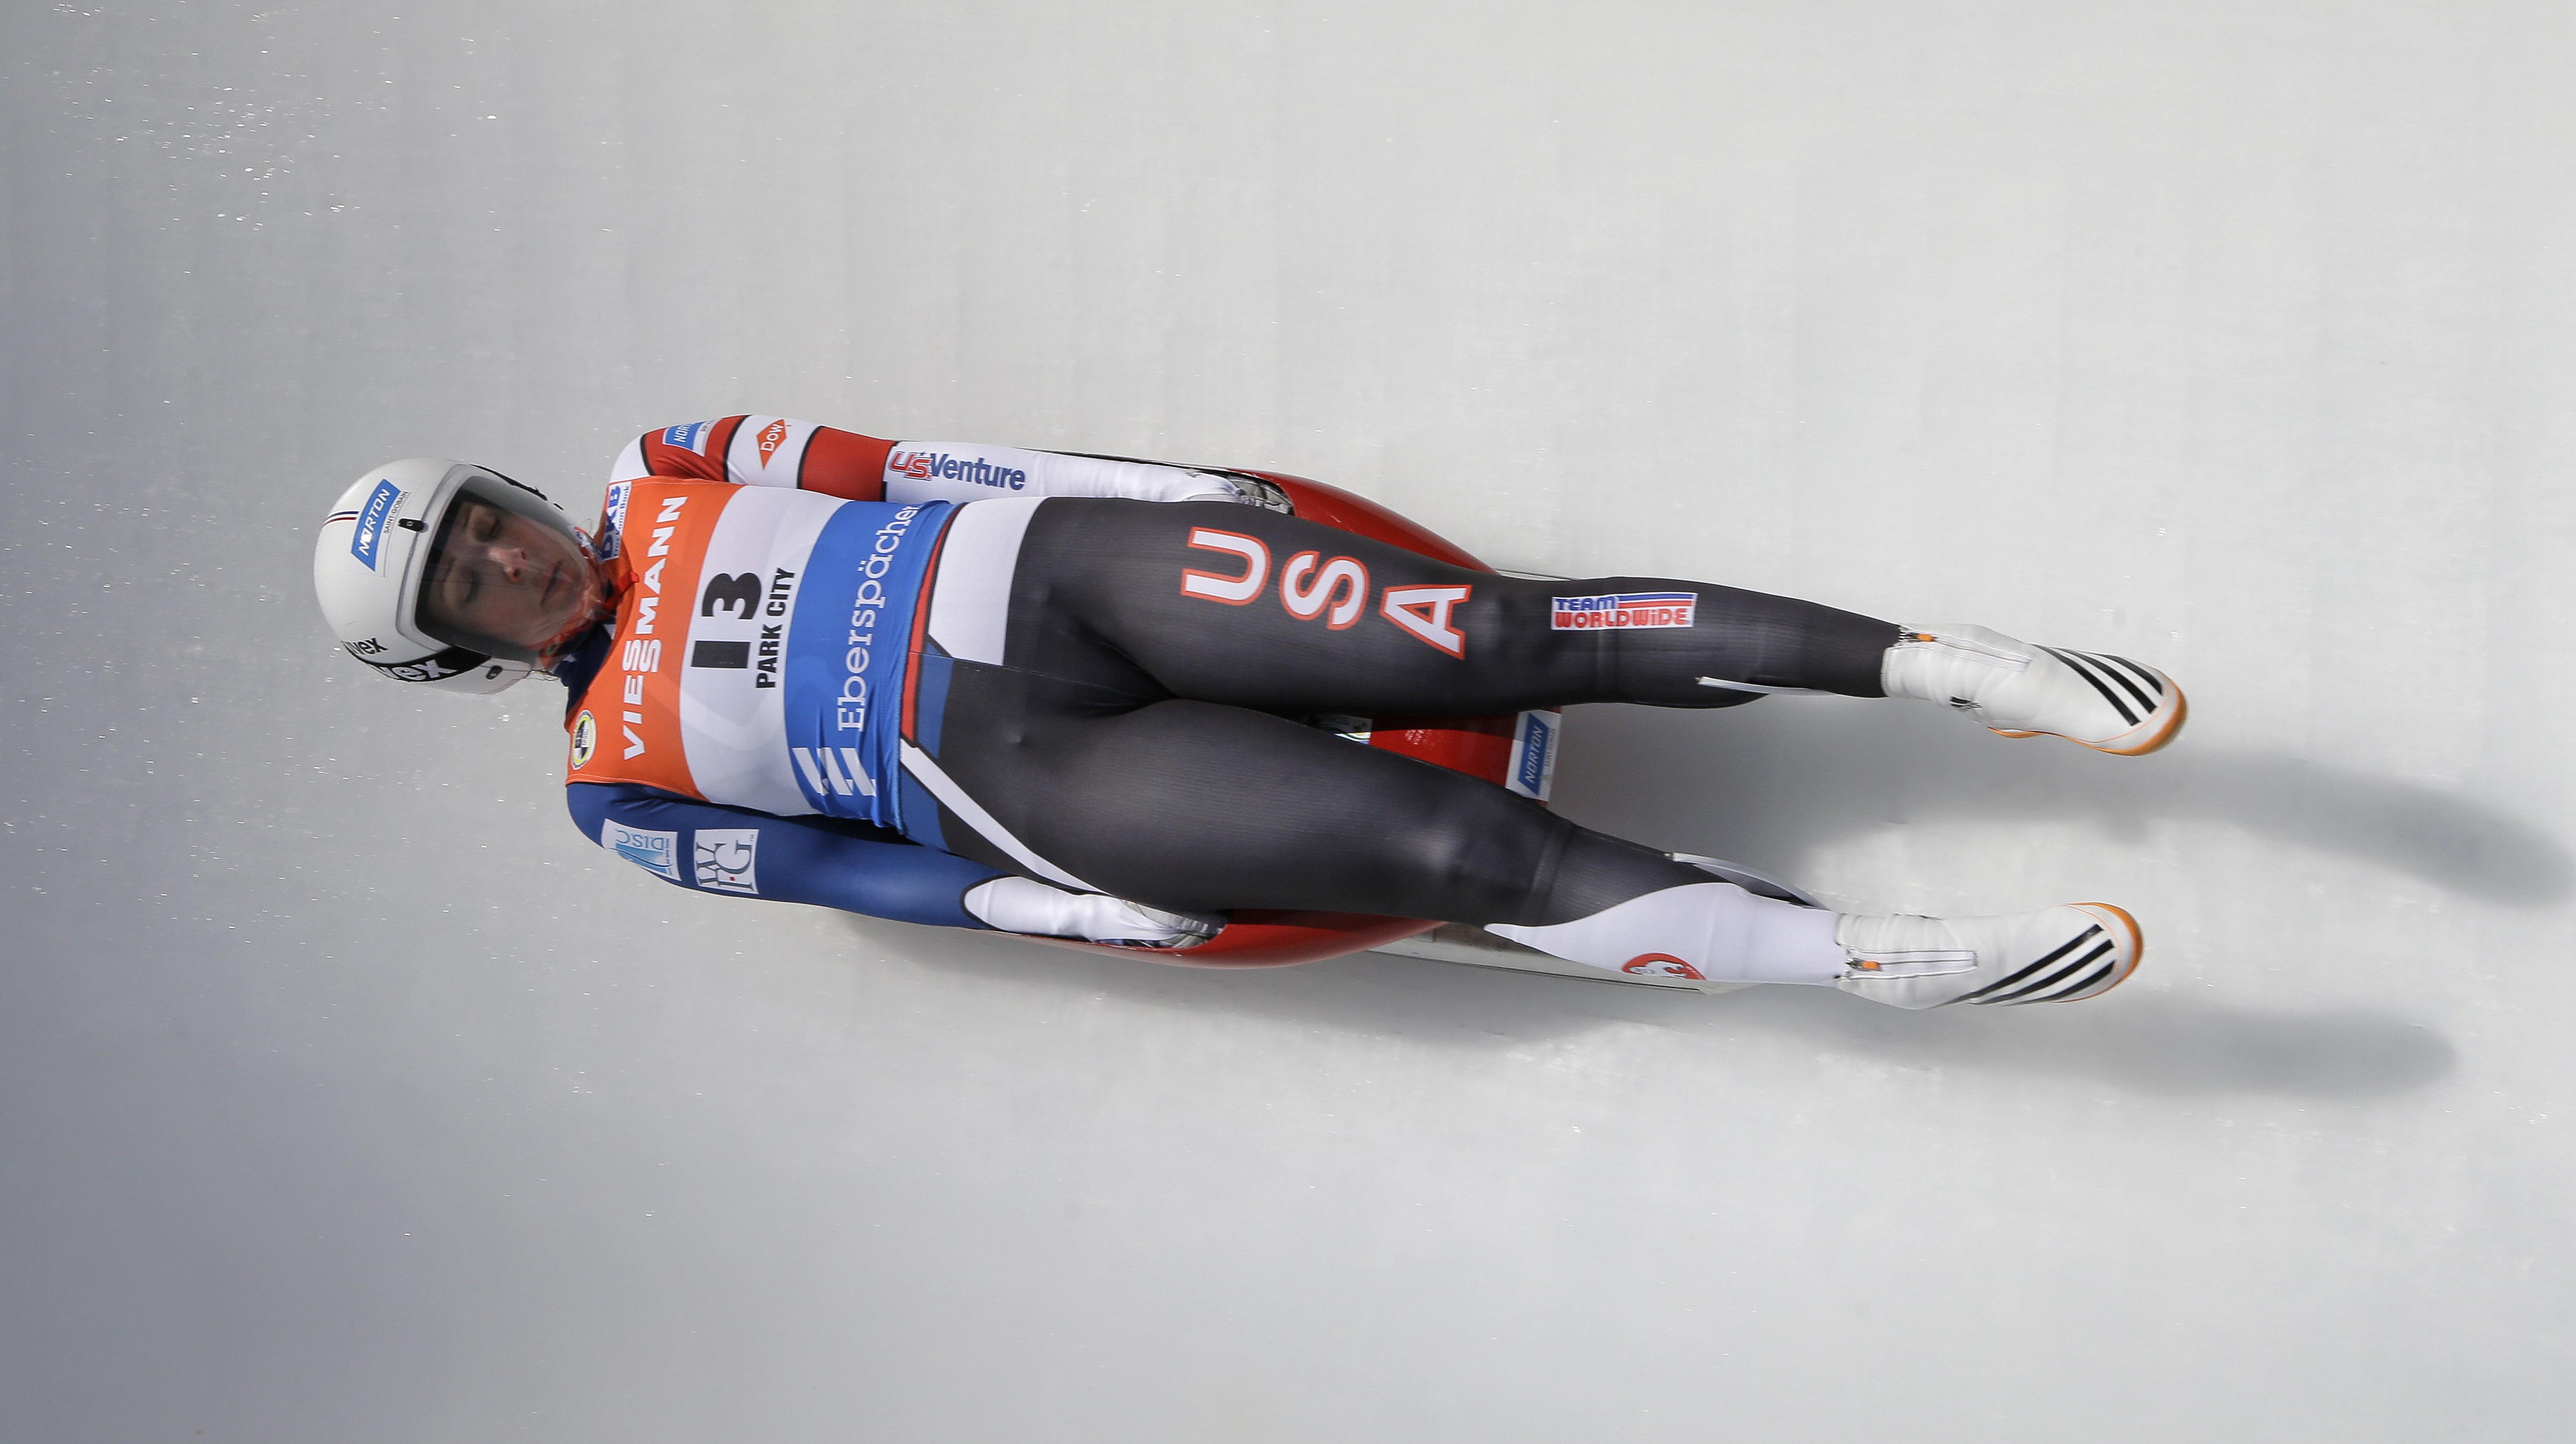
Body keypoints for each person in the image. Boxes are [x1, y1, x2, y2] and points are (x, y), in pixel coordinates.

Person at [312, 416, 2186, 1009]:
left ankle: (1946, 667)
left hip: (1063, 572)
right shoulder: (610, 798)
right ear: (457, 650)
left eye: (493, 524)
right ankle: (1879, 958)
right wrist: (1071, 915)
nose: (516, 563)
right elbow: (852, 883)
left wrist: (1189, 491)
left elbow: (935, 457)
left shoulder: (677, 456)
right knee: (1469, 855)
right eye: (471, 583)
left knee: (1490, 633)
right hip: (1040, 777)